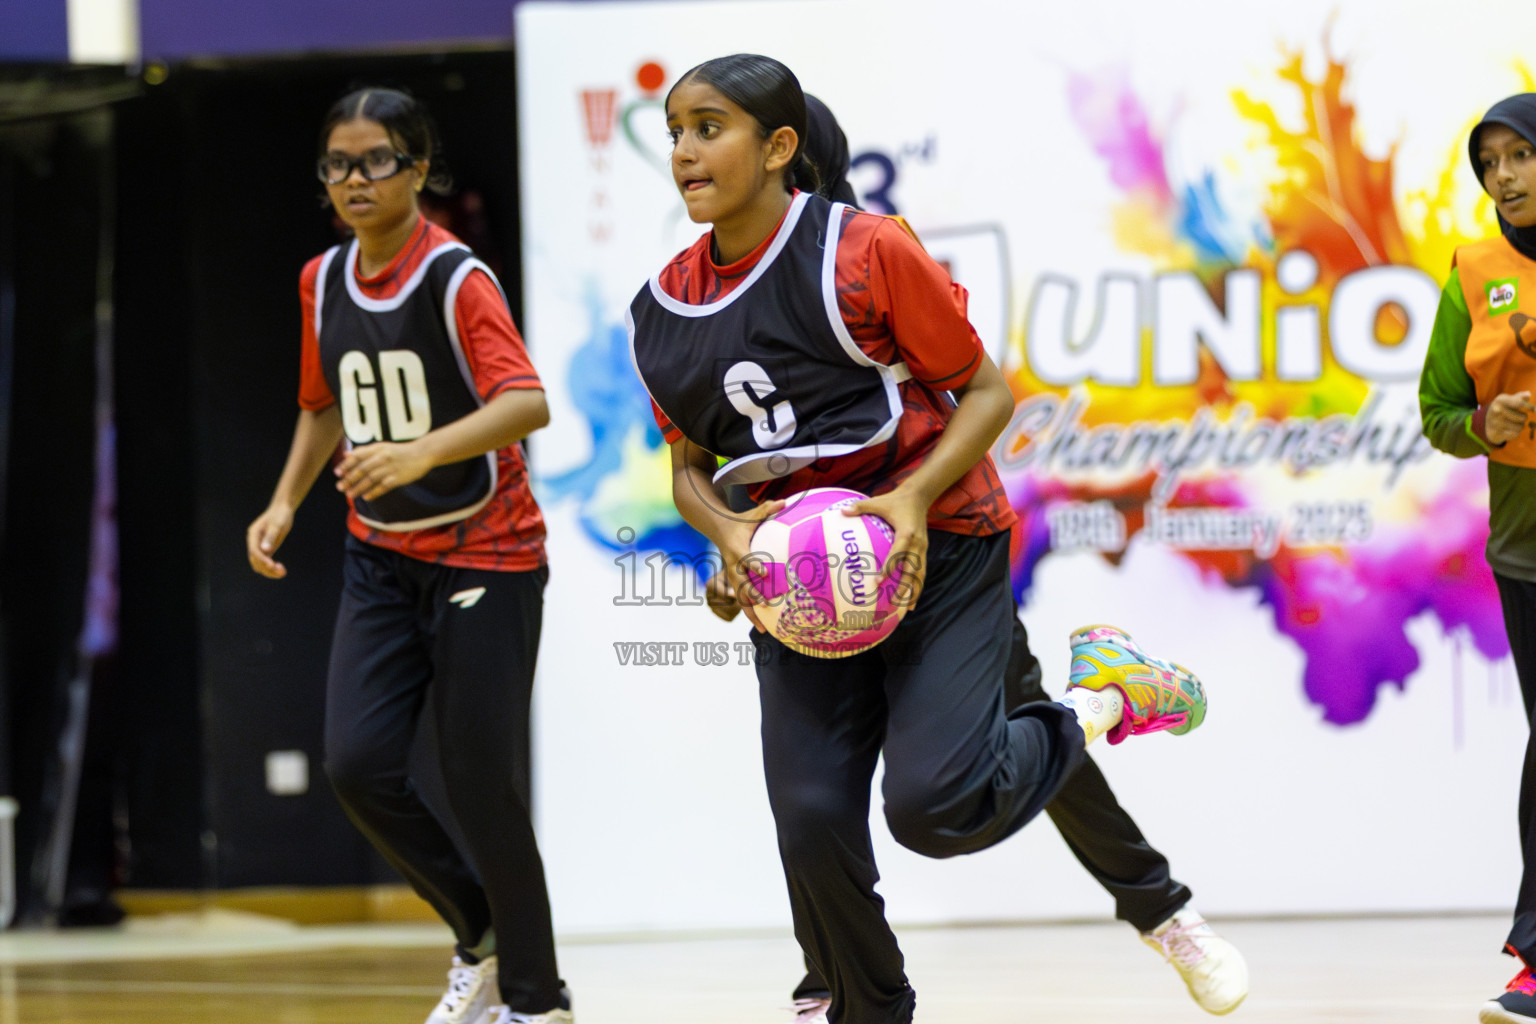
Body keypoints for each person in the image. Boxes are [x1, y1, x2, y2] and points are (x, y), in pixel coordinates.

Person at [631, 54, 1210, 1024]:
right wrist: (732, 536)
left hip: (939, 541)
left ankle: (1113, 718)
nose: (684, 148)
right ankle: (863, 1003)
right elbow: (690, 461)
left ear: (783, 152)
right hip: (809, 581)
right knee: (812, 816)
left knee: (937, 804)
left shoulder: (865, 252)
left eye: (709, 126)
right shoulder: (666, 309)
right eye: (675, 129)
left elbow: (985, 390)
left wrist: (907, 498)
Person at [244, 87, 571, 1024]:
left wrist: (421, 450)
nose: (354, 179)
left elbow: (526, 402)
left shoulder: (458, 278)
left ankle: (538, 1002)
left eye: (375, 161)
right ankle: (479, 930)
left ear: (418, 170)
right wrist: (282, 503)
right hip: (379, 556)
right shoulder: (320, 280)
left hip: (488, 558)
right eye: (337, 164)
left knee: (479, 782)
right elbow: (322, 403)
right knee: (357, 764)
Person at [1419, 92, 1536, 1024]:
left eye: (1519, 156)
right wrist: (1483, 424)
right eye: (1490, 162)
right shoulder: (1472, 275)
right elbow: (1438, 417)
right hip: (1529, 554)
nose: (1505, 176)